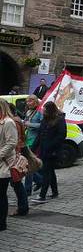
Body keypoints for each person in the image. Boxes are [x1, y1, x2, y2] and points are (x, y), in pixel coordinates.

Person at [31, 101, 66, 204]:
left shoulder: (59, 120)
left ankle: (42, 196)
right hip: (44, 150)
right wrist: (33, 149)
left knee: (46, 173)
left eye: (45, 110)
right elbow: (39, 136)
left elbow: (61, 135)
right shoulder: (45, 120)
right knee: (50, 171)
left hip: (53, 151)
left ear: (50, 110)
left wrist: (50, 145)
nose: (43, 112)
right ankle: (55, 192)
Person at [0, 98, 18, 231]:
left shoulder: (8, 122)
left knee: (1, 194)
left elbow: (11, 143)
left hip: (4, 164)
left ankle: (2, 223)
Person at [22, 95, 42, 196]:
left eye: (30, 101)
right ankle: (40, 180)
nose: (28, 103)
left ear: (35, 102)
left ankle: (27, 189)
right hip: (27, 139)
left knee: (29, 164)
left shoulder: (39, 112)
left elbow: (42, 125)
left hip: (35, 141)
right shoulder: (28, 112)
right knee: (29, 164)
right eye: (27, 101)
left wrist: (29, 124)